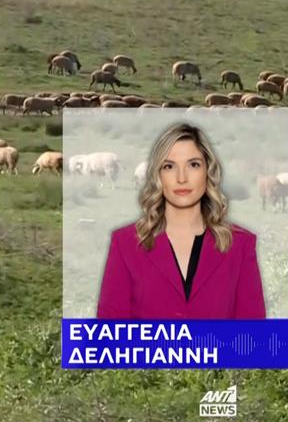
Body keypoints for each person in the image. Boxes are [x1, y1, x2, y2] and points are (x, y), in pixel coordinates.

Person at [96, 123, 266, 319]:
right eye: (169, 166)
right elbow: (108, 334)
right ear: (157, 175)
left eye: (193, 165)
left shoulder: (241, 244)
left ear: (208, 172)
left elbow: (252, 338)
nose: (181, 178)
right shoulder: (124, 243)